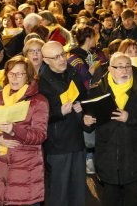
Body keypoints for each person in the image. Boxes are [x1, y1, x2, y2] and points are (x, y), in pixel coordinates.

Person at [83, 52, 137, 206]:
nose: (125, 70)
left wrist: (129, 118)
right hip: (107, 157)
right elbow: (89, 123)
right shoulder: (97, 92)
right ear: (110, 69)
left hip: (134, 156)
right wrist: (86, 122)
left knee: (134, 198)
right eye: (119, 67)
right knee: (110, 199)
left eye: (128, 66)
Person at [0, 56, 49, 205]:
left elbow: (40, 135)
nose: (14, 78)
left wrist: (14, 130)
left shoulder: (39, 101)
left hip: (25, 167)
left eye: (20, 74)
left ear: (29, 76)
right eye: (11, 73)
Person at [39, 41, 87, 206]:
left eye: (63, 54)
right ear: (45, 60)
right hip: (58, 143)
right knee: (60, 192)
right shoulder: (41, 82)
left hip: (77, 137)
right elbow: (39, 116)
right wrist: (59, 112)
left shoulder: (72, 72)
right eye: (56, 57)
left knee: (79, 189)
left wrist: (82, 107)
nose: (62, 59)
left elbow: (83, 95)